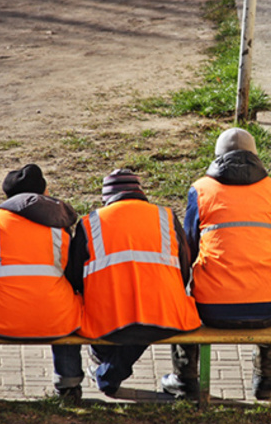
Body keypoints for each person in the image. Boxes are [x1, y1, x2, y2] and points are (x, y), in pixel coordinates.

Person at [160, 127, 271, 401]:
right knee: (267, 281)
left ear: (217, 157)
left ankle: (184, 379)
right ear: (255, 156)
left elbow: (190, 248)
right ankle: (265, 380)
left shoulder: (201, 190)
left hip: (213, 308)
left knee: (183, 300)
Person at [0, 164, 88, 406]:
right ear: (43, 192)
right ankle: (69, 388)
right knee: (68, 307)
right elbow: (73, 275)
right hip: (55, 318)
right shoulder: (61, 226)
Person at [80, 169, 200, 396]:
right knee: (148, 318)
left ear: (106, 198)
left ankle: (106, 373)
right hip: (166, 314)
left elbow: (77, 277)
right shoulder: (166, 216)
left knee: (128, 322)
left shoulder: (90, 223)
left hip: (109, 317)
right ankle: (109, 374)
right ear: (140, 193)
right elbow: (184, 268)